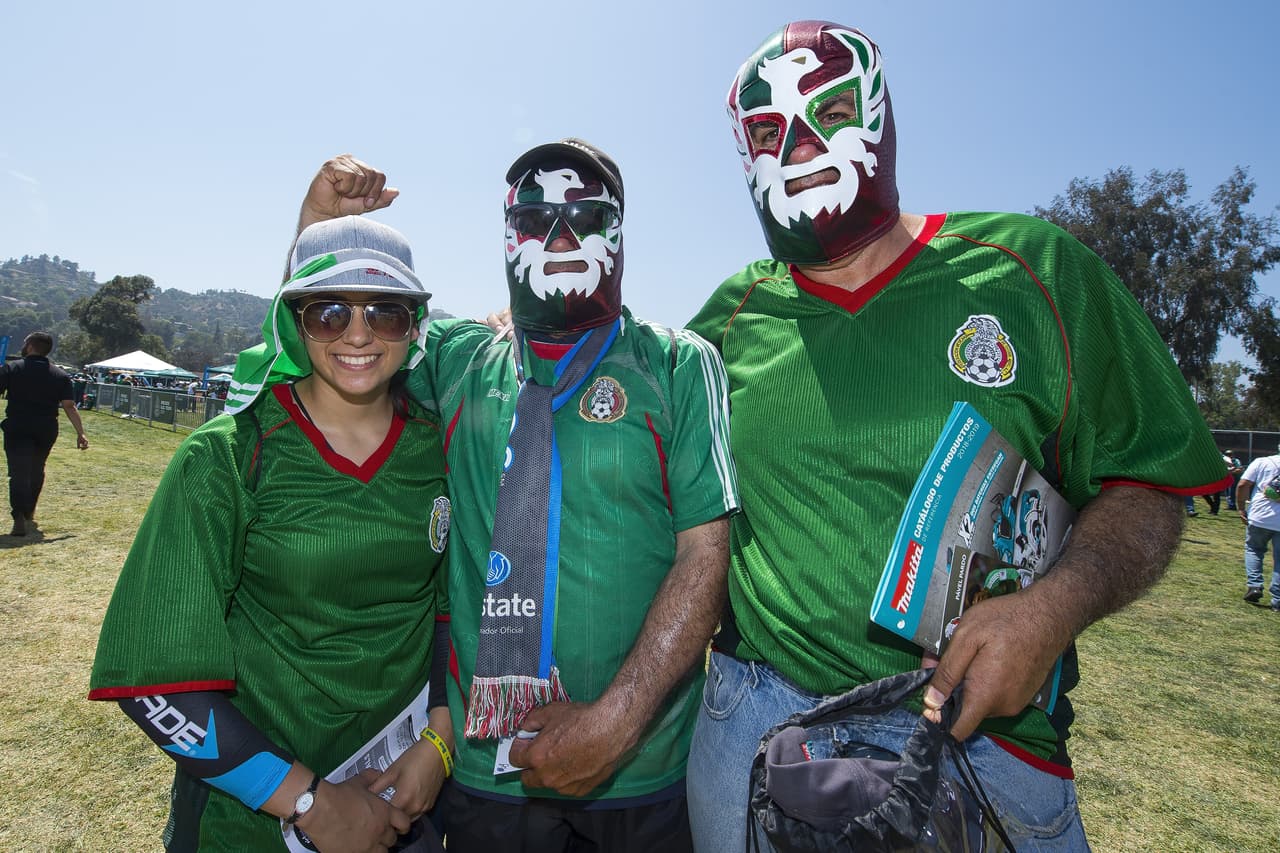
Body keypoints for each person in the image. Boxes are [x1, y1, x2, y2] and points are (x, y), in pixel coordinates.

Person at [683, 20, 1230, 851]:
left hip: (983, 740)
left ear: (879, 112)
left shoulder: (1033, 270)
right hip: (758, 723)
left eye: (830, 111)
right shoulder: (728, 320)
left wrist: (1048, 611)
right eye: (767, 131)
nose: (800, 145)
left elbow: (1147, 481)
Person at [294, 143, 738, 852]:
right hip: (485, 773)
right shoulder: (459, 358)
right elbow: (336, 341)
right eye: (534, 219)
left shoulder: (680, 364)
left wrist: (615, 725)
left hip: (642, 768)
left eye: (583, 217)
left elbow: (705, 555)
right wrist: (320, 230)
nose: (559, 236)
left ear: (619, 230)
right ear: (506, 235)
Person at [90, 216, 453, 851]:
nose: (359, 334)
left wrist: (440, 742)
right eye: (329, 313)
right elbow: (156, 681)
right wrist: (311, 804)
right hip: (252, 821)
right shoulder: (229, 454)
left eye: (387, 312)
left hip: (406, 800)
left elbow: (453, 612)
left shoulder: (441, 446)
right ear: (294, 321)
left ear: (415, 324)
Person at [0, 331, 89, 536]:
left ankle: (19, 515)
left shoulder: (12, 368)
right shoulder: (60, 375)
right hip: (46, 428)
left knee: (18, 472)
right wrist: (80, 433)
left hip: (18, 427)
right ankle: (29, 510)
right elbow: (69, 405)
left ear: (30, 346)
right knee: (37, 469)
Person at [1235, 448, 1280, 611]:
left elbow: (1243, 484)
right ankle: (1278, 599)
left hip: (1260, 516)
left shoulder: (1262, 462)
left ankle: (1255, 586)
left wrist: (1241, 508)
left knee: (1254, 549)